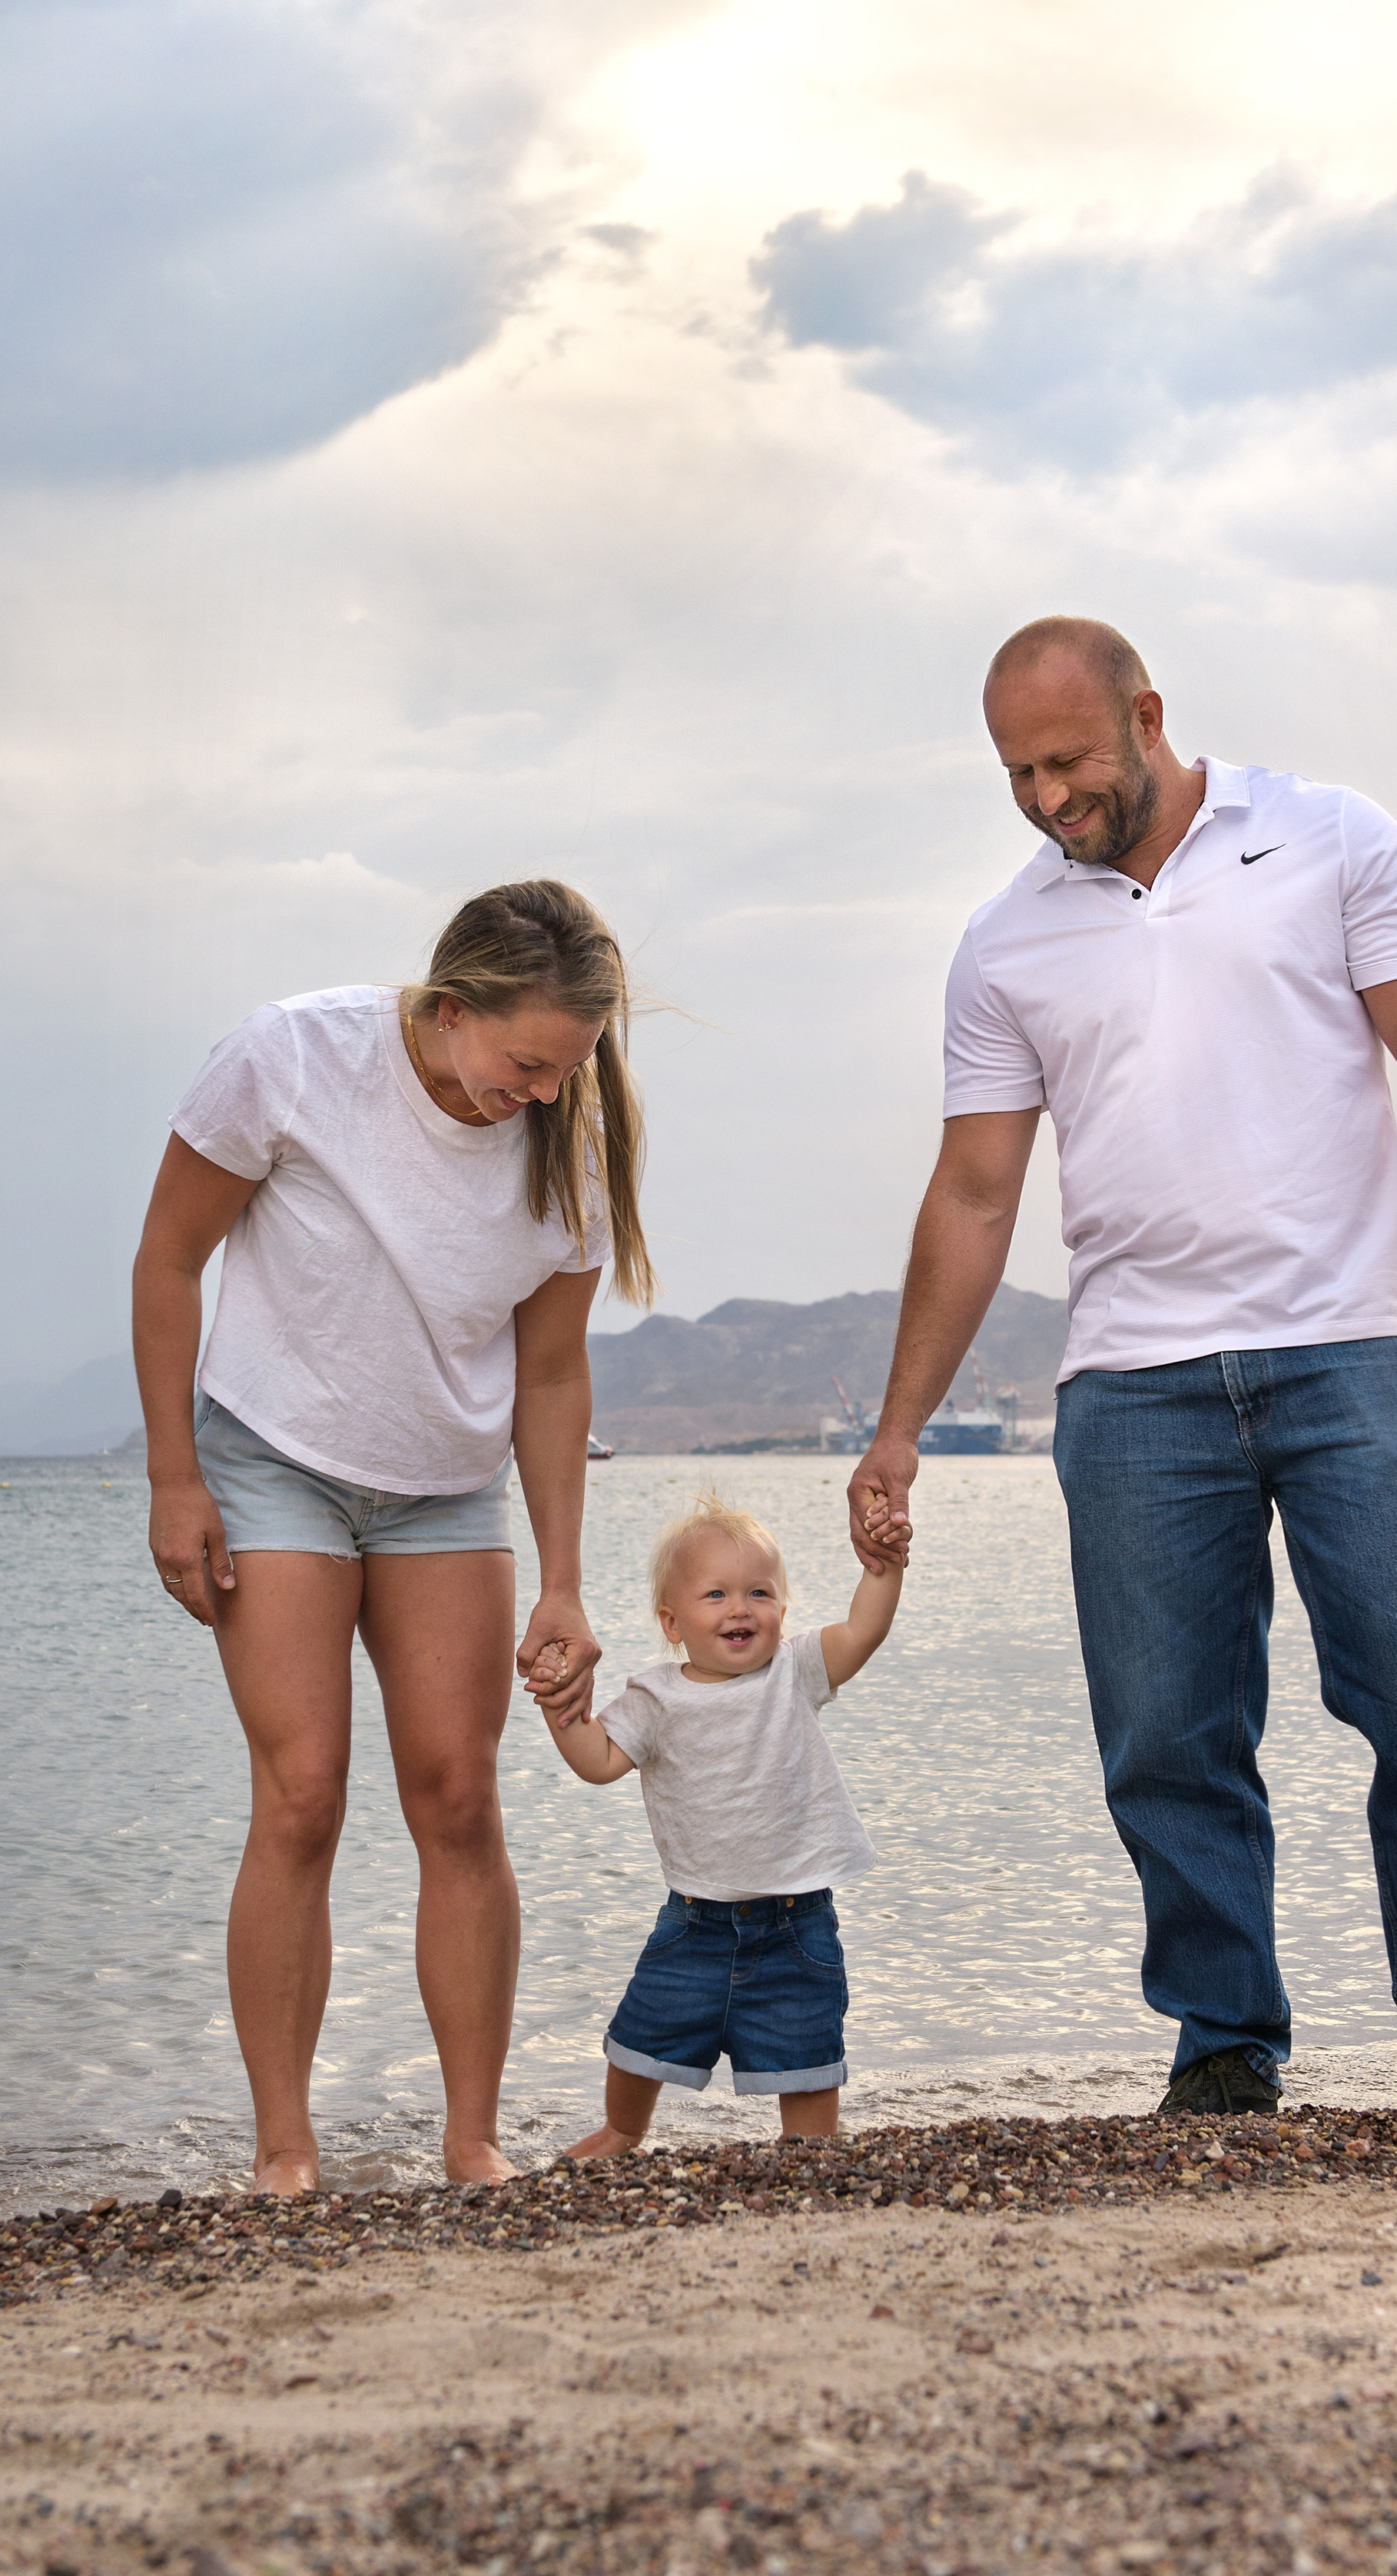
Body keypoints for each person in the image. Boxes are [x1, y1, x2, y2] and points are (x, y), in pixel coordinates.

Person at [847, 617, 1397, 2119]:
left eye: (1067, 760)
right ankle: (1220, 2053)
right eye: (1015, 772)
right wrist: (898, 1429)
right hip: (1131, 1392)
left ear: (1144, 713)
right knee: (1167, 1741)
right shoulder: (1005, 941)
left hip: (1347, 1358)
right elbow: (972, 1195)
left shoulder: (1328, 838)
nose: (1044, 797)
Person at [131, 879, 653, 2194]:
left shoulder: (568, 1144)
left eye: (570, 1068)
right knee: (302, 1795)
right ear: (448, 1007)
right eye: (527, 1062)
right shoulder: (293, 1058)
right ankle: (286, 2151)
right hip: (273, 1463)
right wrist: (175, 1479)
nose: (541, 1095)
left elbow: (549, 1379)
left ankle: (472, 2144)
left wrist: (566, 1586)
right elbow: (168, 1259)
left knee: (460, 1798)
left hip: (444, 1487)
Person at [533, 1491, 904, 2154]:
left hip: (797, 1923)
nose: (740, 1608)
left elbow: (863, 1630)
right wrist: (561, 1705)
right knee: (641, 2038)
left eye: (759, 1592)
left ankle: (812, 2152)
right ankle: (623, 2130)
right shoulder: (655, 1697)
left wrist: (886, 1565)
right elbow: (599, 1761)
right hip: (694, 1924)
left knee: (808, 2051)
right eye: (716, 1596)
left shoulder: (795, 1671)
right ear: (671, 1622)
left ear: (782, 1612)